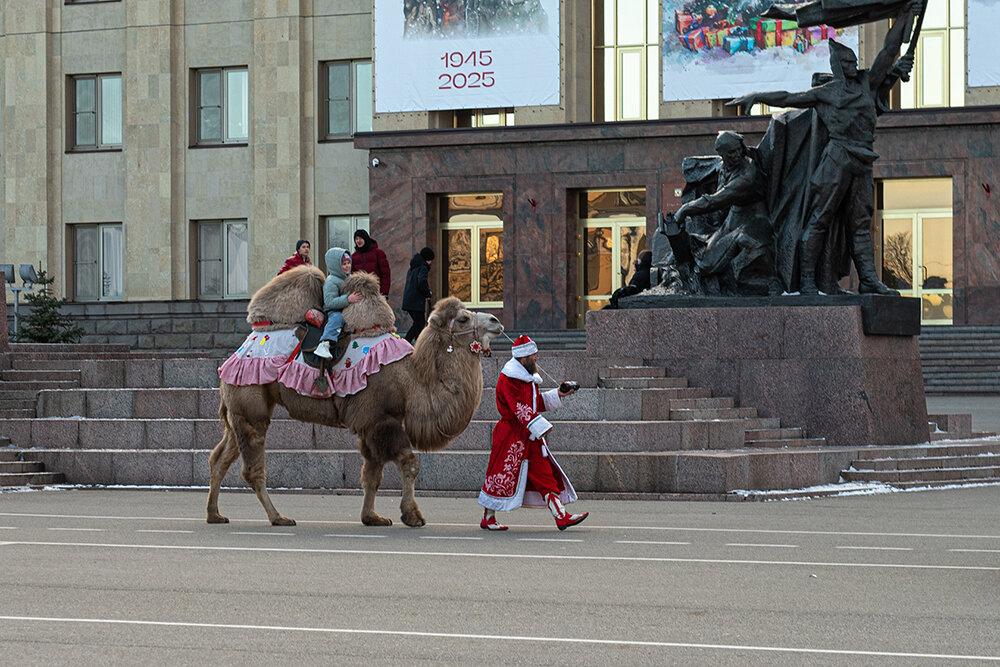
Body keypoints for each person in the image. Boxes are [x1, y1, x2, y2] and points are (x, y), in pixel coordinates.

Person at [729, 2, 918, 296]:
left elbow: (889, 49)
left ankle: (868, 280)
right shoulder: (827, 94)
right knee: (820, 219)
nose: (854, 66)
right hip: (837, 160)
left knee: (860, 224)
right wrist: (759, 95)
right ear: (838, 68)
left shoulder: (868, 84)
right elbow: (789, 97)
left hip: (862, 161)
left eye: (854, 61)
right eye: (848, 63)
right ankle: (807, 281)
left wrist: (906, 14)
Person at [478, 335, 588, 531]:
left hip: (529, 434)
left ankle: (561, 516)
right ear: (523, 359)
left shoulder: (527, 378)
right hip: (510, 435)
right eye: (534, 355)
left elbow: (535, 403)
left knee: (545, 473)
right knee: (499, 475)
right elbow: (518, 407)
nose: (537, 358)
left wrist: (559, 393)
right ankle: (488, 517)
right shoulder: (509, 379)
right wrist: (540, 426)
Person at [314, 247, 363, 360]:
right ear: (335, 265)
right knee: (337, 318)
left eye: (348, 263)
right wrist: (348, 299)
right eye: (344, 264)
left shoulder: (349, 278)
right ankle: (325, 343)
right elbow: (330, 302)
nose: (347, 266)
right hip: (335, 311)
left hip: (348, 309)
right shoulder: (331, 281)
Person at [402, 246, 435, 343]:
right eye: (430, 260)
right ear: (427, 259)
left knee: (417, 324)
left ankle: (409, 344)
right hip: (416, 301)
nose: (431, 263)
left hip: (409, 300)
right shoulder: (423, 267)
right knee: (419, 324)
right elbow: (422, 282)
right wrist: (427, 293)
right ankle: (410, 344)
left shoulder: (413, 267)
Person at [350, 229, 391, 298]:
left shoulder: (378, 253)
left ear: (365, 239)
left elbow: (385, 275)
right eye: (356, 239)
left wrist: (384, 292)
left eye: (360, 238)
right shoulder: (353, 257)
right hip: (360, 295)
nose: (358, 241)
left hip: (377, 293)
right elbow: (352, 276)